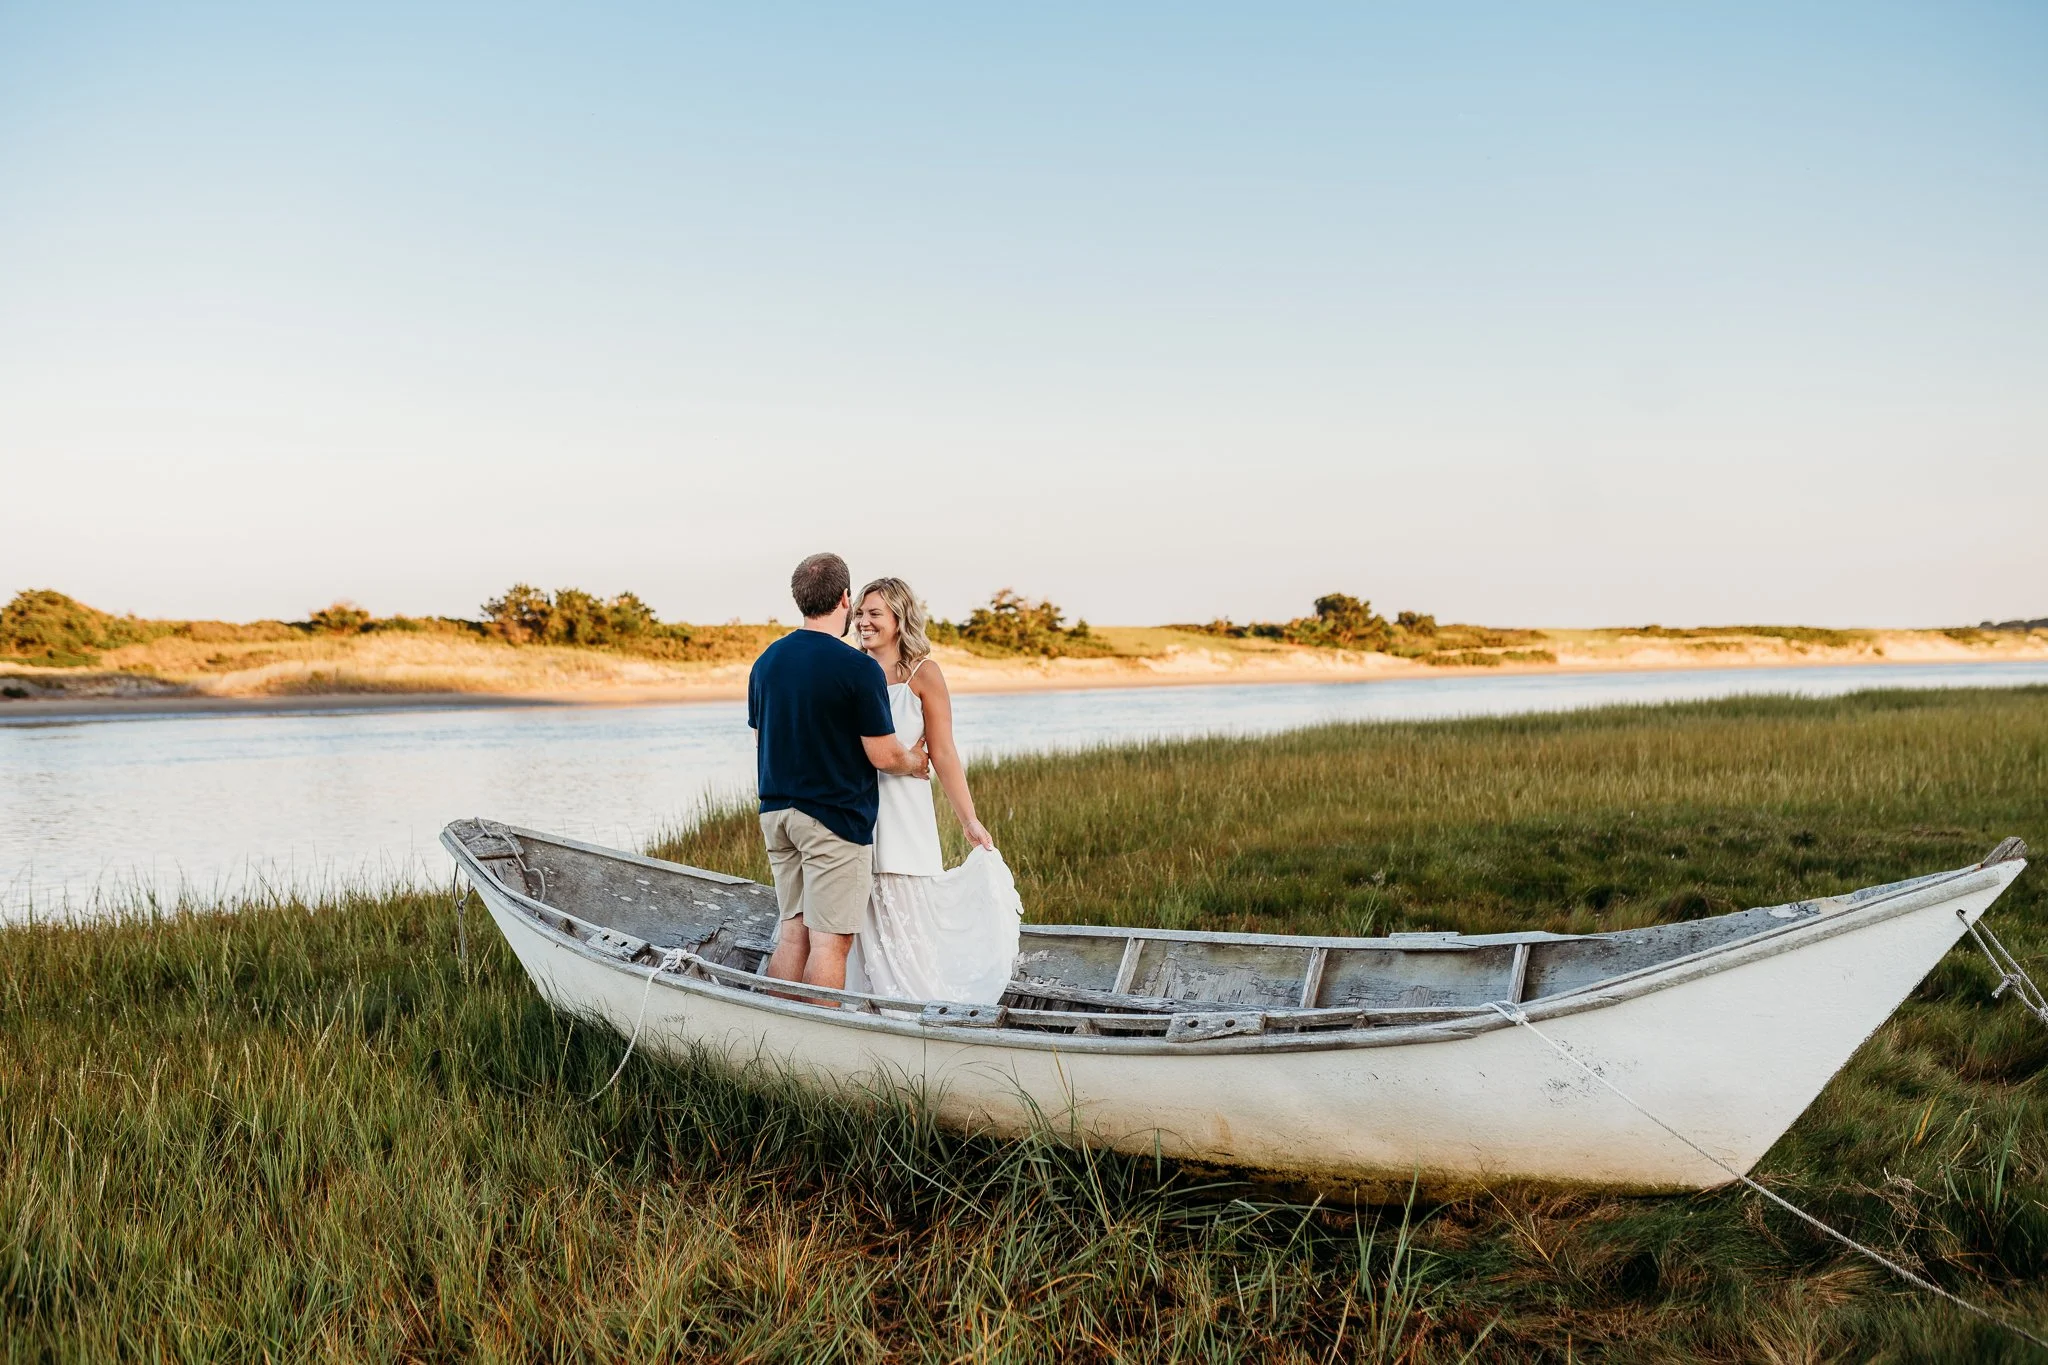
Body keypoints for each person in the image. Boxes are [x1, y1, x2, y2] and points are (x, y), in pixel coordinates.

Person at [751, 553, 928, 994]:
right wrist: (916, 762)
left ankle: (777, 1038)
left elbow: (761, 739)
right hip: (832, 821)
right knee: (831, 944)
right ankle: (812, 1043)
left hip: (776, 815)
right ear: (845, 599)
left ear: (801, 599)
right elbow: (884, 755)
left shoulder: (767, 661)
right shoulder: (858, 668)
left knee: (794, 933)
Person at [846, 576, 1022, 1004]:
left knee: (906, 922)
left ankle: (917, 1013)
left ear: (899, 618)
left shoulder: (924, 674)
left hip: (906, 817)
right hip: (852, 815)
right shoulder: (850, 669)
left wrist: (970, 820)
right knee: (856, 926)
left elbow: (943, 753)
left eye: (875, 614)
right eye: (860, 613)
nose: (864, 622)